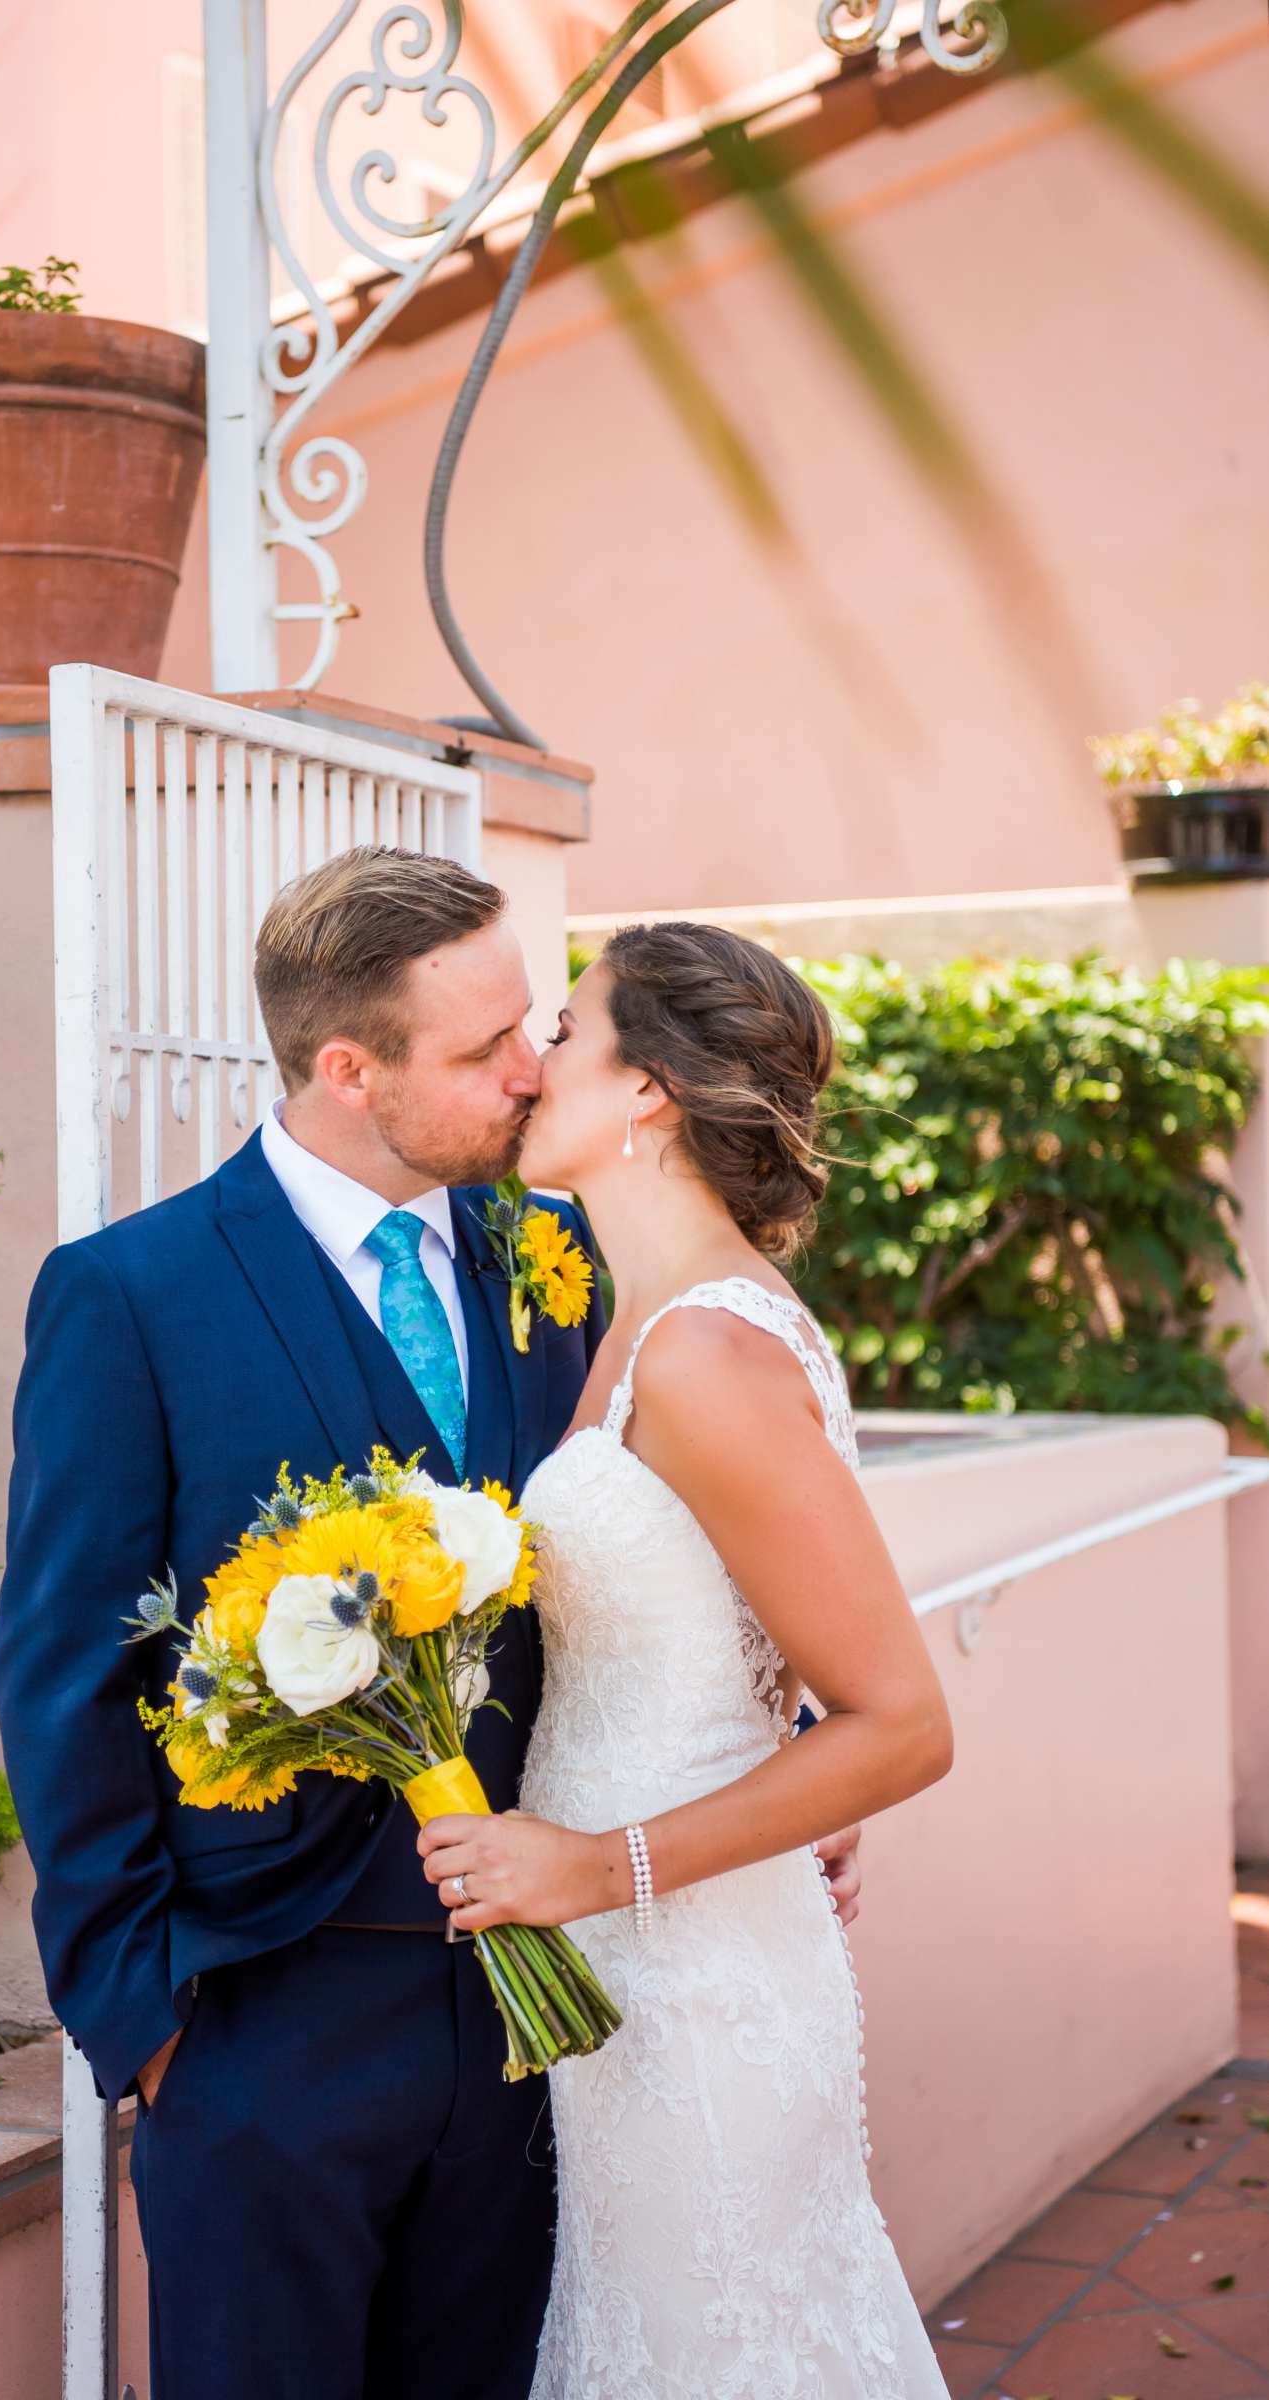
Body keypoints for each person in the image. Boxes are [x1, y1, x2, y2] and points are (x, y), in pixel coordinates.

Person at [0, 852, 864, 2400]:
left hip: (559, 2021)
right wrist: (147, 2028)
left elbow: (674, 1552)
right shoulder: (133, 1295)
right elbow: (64, 1672)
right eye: (482, 1052)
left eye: (537, 1028)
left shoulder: (576, 1258)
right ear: (349, 1069)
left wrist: (769, 1745)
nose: (531, 1070)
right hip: (270, 2013)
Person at [416, 921, 953, 2398]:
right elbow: (747, 1647)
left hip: (686, 1960)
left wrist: (591, 1870)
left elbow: (901, 1723)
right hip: (631, 1958)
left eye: (568, 1034)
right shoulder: (630, 1319)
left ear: (648, 1092)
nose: (531, 1069)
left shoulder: (706, 1356)